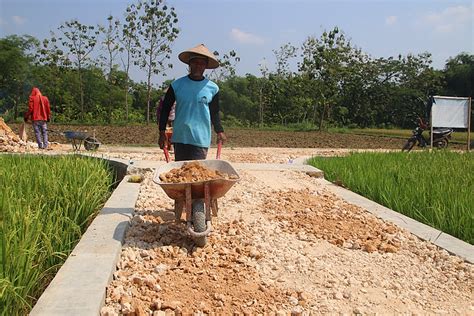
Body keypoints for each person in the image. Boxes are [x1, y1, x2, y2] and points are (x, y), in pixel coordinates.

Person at [158, 43, 226, 161]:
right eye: (195, 62)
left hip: (200, 139)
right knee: (181, 174)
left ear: (205, 66)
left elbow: (214, 112)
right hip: (180, 138)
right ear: (189, 64)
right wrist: (161, 131)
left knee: (196, 173)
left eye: (201, 63)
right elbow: (166, 108)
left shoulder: (212, 88)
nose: (198, 66)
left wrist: (220, 131)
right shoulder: (177, 85)